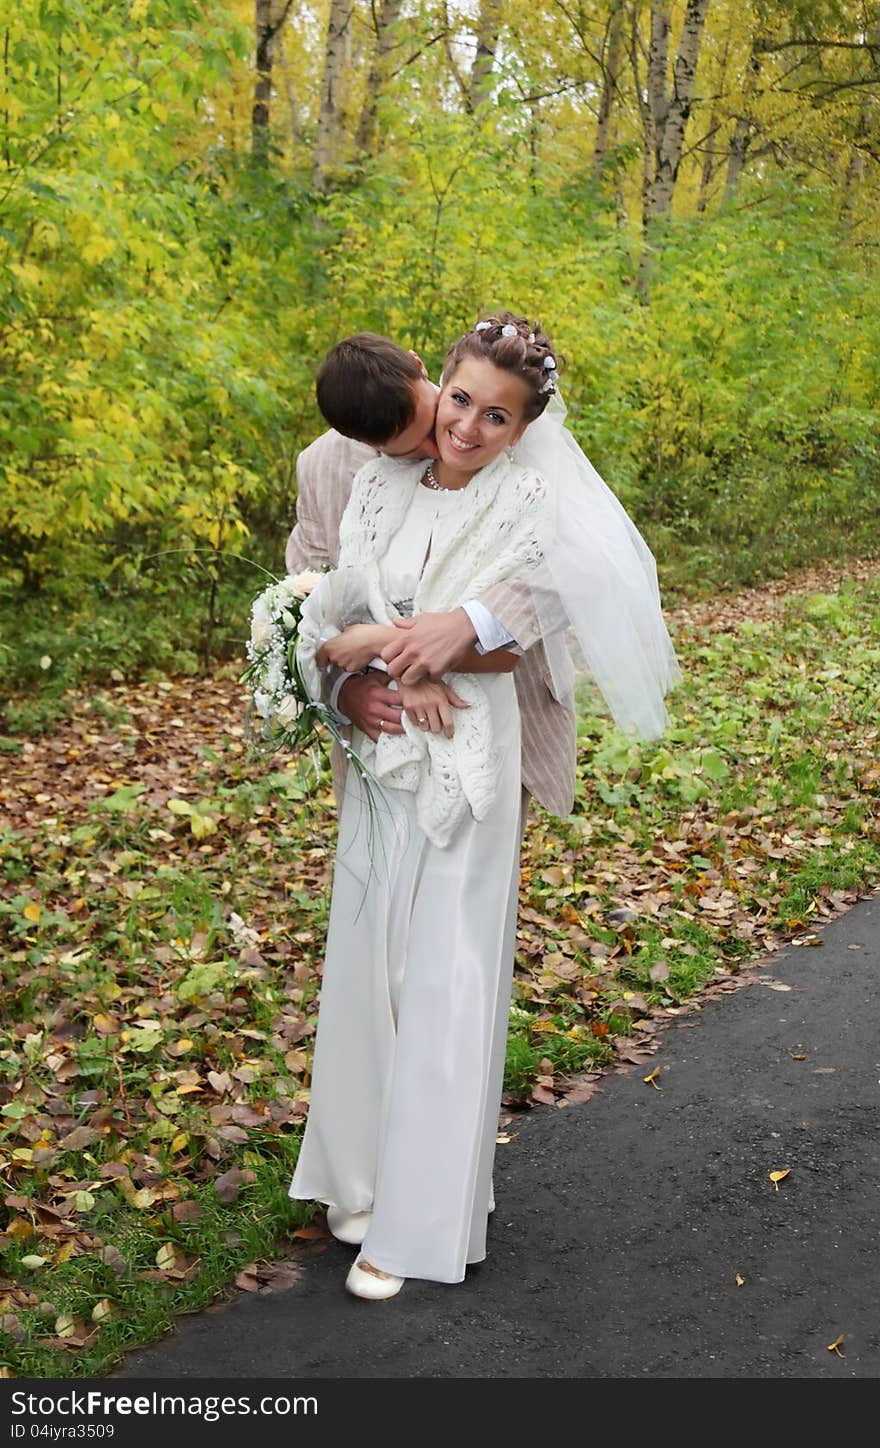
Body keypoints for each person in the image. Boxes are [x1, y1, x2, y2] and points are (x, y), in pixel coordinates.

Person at [286, 313, 679, 1299]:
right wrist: (352, 677)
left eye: (489, 414)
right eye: (458, 402)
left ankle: (419, 1222)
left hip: (470, 750)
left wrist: (434, 634)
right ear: (435, 384)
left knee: (446, 976)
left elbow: (520, 621)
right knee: (366, 961)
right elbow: (313, 607)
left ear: (520, 426)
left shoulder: (538, 504)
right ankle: (361, 1174)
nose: (459, 427)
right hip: (379, 761)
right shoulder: (363, 477)